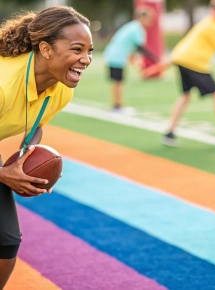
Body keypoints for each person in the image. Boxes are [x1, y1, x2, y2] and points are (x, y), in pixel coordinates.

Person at [0, 6, 93, 288]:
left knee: (6, 240)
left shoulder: (62, 88)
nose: (86, 59)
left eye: (90, 51)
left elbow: (37, 123)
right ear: (46, 49)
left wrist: (29, 161)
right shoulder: (3, 84)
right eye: (77, 49)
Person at [144, 0, 215, 146]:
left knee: (185, 96)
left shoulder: (206, 23)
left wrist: (162, 66)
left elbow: (182, 49)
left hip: (184, 62)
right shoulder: (212, 26)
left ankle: (170, 131)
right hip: (195, 64)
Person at [103, 6, 157, 114]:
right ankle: (117, 107)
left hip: (114, 55)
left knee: (118, 82)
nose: (150, 22)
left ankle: (117, 105)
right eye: (149, 18)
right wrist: (155, 59)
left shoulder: (132, 26)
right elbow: (140, 47)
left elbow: (132, 49)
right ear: (142, 17)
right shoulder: (136, 28)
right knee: (118, 82)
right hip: (117, 57)